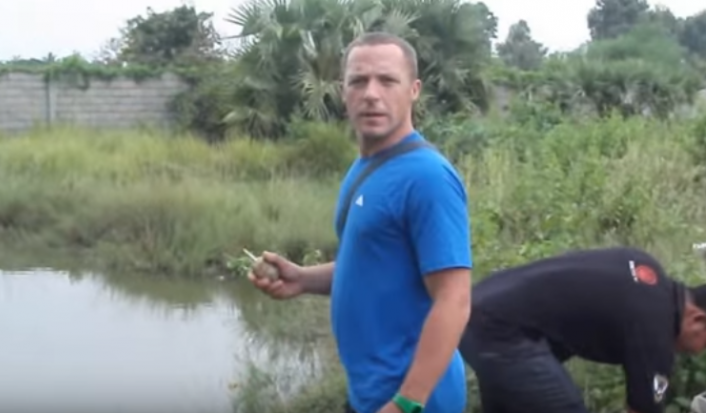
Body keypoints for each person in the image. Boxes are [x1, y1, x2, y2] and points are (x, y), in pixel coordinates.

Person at [248, 32, 472, 413]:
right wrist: (304, 279)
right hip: (370, 395)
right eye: (358, 80)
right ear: (343, 90)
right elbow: (372, 266)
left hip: (415, 401)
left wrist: (407, 402)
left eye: (387, 80)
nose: (371, 93)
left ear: (414, 89)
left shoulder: (427, 177)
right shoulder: (364, 167)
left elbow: (455, 300)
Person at [459, 246, 706, 413]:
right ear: (697, 319)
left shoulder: (646, 267)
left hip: (477, 306)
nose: (701, 351)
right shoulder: (657, 330)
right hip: (500, 331)